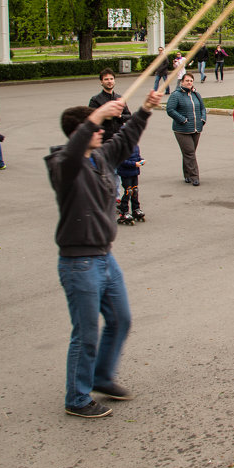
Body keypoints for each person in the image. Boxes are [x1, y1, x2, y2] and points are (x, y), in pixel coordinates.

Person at [46, 88, 162, 418]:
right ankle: (77, 398)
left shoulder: (99, 158)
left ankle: (101, 377)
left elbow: (124, 140)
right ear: (79, 132)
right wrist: (97, 114)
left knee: (120, 319)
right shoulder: (63, 164)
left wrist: (144, 110)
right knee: (85, 333)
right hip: (78, 262)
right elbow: (72, 154)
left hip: (104, 257)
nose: (101, 131)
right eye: (95, 127)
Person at [166, 73, 206, 186]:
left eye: (191, 81)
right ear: (182, 82)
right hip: (182, 130)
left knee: (189, 153)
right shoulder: (176, 95)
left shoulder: (196, 94)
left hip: (196, 129)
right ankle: (195, 177)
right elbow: (170, 109)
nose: (189, 83)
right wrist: (183, 120)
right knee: (189, 152)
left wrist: (203, 119)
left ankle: (187, 174)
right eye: (187, 80)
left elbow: (202, 108)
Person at [116, 145, 145, 224]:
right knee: (129, 191)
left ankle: (136, 209)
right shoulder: (123, 147)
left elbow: (137, 157)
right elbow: (122, 161)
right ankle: (124, 211)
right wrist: (134, 164)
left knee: (135, 190)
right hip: (126, 173)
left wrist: (141, 160)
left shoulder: (135, 146)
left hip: (134, 172)